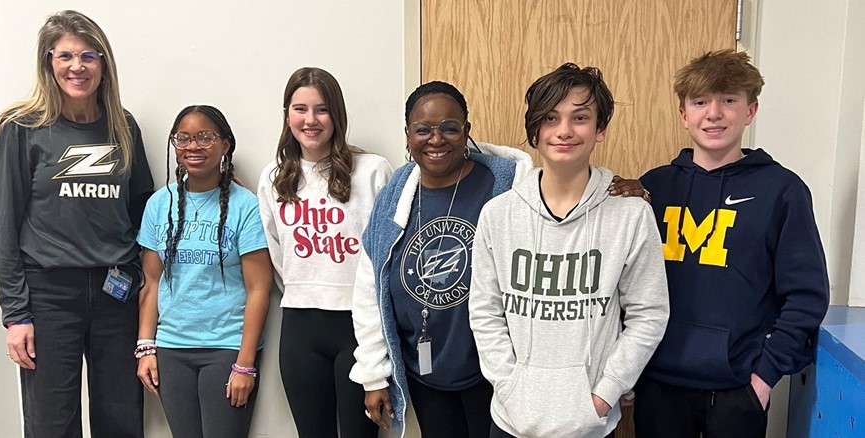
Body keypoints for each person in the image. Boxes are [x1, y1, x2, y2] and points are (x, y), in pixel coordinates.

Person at [349, 80, 650, 437]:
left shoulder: (508, 186)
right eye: (423, 129)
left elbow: (570, 245)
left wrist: (625, 190)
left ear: (466, 131)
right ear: (407, 134)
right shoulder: (395, 196)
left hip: (495, 377)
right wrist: (373, 372)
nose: (436, 139)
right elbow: (371, 289)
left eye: (449, 127)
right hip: (425, 370)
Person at [634, 50, 830, 438]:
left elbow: (806, 296)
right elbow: (625, 285)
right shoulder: (653, 187)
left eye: (729, 100)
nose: (714, 114)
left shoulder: (782, 191)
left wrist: (763, 378)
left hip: (736, 391)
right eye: (701, 102)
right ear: (683, 114)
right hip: (657, 387)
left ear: (750, 111)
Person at [469, 62, 670, 438]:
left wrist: (606, 391)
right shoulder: (498, 215)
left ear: (600, 130)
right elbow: (484, 311)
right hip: (511, 419)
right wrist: (509, 386)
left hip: (590, 421)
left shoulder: (630, 215)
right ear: (535, 132)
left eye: (580, 117)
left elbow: (649, 314)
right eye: (550, 118)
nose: (564, 131)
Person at [0, 10, 152, 437]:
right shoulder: (22, 127)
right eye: (65, 56)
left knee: (121, 418)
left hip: (115, 294)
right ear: (49, 62)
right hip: (47, 296)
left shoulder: (123, 126)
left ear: (104, 63)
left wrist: (139, 279)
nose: (77, 67)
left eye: (88, 56)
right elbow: (5, 225)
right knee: (50, 424)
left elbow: (143, 213)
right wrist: (16, 314)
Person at [257, 67, 392, 438]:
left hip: (358, 327)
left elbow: (387, 257)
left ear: (337, 115)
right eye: (300, 109)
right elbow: (278, 255)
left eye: (321, 109)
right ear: (287, 115)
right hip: (300, 326)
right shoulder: (273, 178)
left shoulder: (372, 170)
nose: (310, 120)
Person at [136, 105, 272, 438]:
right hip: (171, 350)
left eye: (205, 137)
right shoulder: (158, 204)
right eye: (183, 138)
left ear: (225, 144)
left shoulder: (246, 206)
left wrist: (244, 364)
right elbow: (151, 282)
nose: (193, 146)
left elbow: (259, 289)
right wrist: (146, 347)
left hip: (226, 348)